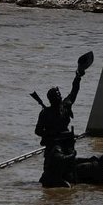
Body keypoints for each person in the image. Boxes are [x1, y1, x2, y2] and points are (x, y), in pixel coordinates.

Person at [34, 52, 92, 187]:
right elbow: (37, 130)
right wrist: (51, 134)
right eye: (55, 97)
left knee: (71, 162)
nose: (58, 98)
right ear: (50, 100)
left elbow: (74, 91)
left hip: (67, 140)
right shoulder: (45, 113)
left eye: (59, 96)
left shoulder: (66, 106)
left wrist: (78, 76)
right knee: (56, 159)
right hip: (54, 143)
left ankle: (71, 179)